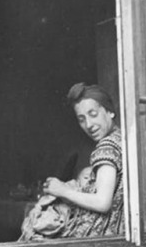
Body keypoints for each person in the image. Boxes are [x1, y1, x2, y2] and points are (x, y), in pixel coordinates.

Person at [42, 82, 124, 238]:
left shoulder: (107, 146)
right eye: (81, 119)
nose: (89, 124)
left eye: (93, 114)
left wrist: (62, 190)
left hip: (97, 235)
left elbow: (102, 202)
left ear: (110, 112)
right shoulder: (122, 139)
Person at [18, 165, 95, 242]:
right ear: (77, 180)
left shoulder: (92, 196)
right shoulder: (73, 185)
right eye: (86, 178)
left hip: (69, 219)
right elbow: (56, 193)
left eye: (93, 179)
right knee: (43, 222)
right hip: (58, 211)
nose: (89, 181)